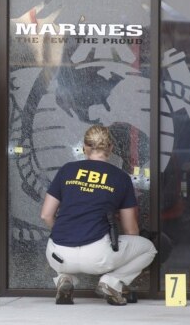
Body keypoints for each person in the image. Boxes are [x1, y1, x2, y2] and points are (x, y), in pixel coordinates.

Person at [40, 125, 157, 306]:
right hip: (97, 257)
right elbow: (130, 229)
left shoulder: (67, 170)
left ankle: (65, 279)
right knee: (148, 248)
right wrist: (121, 254)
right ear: (110, 148)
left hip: (58, 254)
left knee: (63, 251)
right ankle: (111, 282)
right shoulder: (120, 177)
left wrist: (66, 236)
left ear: (85, 147)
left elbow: (46, 215)